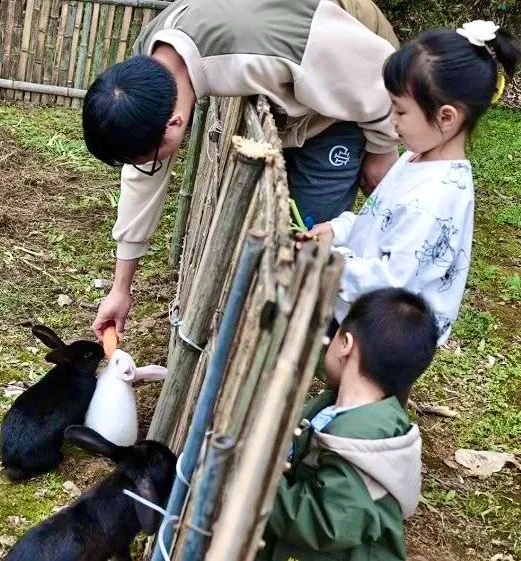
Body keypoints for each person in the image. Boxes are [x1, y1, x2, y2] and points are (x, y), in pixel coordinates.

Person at [83, 0, 404, 340]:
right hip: (302, 86)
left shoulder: (258, 51)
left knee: (307, 238)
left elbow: (375, 70)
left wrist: (382, 147)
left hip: (359, 69)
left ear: (174, 124)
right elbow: (142, 178)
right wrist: (120, 288)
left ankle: (333, 339)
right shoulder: (145, 72)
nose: (148, 167)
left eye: (150, 158)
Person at [299, 21, 520, 344]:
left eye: (400, 112)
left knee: (343, 377)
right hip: (365, 317)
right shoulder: (414, 160)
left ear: (446, 117)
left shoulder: (434, 197)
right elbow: (380, 221)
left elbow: (392, 282)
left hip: (383, 339)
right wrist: (338, 230)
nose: (392, 121)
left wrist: (329, 264)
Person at [257, 288, 439, 561]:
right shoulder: (335, 409)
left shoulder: (362, 445)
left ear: (345, 344)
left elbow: (321, 522)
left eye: (334, 335)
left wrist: (257, 482)